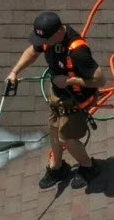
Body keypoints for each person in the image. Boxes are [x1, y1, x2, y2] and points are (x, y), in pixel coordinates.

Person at [6, 11, 101, 189]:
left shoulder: (78, 51)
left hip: (76, 100)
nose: (42, 45)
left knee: (67, 139)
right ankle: (57, 167)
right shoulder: (48, 40)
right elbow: (32, 52)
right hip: (58, 96)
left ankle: (89, 167)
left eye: (45, 41)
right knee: (54, 130)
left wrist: (69, 81)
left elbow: (99, 79)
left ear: (58, 33)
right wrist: (15, 71)